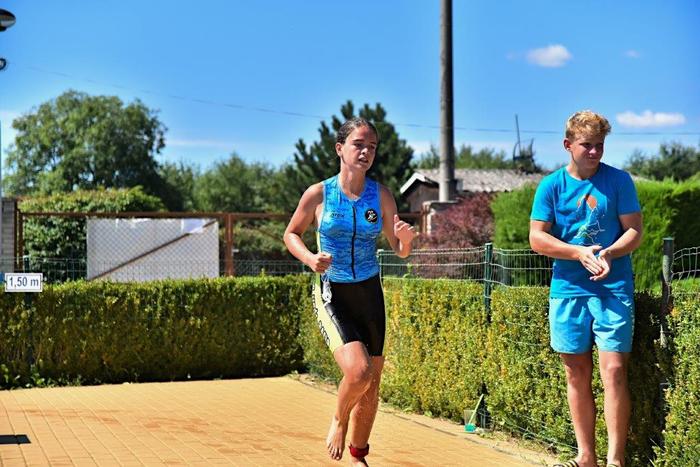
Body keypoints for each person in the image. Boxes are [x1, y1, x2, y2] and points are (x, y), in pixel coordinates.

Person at [284, 117, 418, 465]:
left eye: (372, 147)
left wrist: (405, 241)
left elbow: (399, 249)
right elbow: (291, 234)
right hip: (334, 291)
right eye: (359, 144)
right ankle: (338, 419)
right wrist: (310, 259)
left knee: (372, 384)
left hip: (369, 292)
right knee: (359, 373)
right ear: (340, 148)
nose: (366, 152)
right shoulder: (319, 194)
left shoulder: (381, 195)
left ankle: (359, 456)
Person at [529, 110, 643, 467]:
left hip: (613, 288)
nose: (594, 152)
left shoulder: (619, 181)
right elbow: (537, 238)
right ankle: (586, 457)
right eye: (587, 145)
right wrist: (577, 252)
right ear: (568, 145)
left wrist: (609, 252)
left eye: (600, 145)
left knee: (614, 370)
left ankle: (615, 460)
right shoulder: (551, 186)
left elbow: (634, 231)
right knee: (576, 373)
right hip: (568, 290)